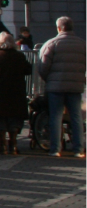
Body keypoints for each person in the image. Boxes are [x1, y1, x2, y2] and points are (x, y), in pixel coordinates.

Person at [36, 17, 85, 157]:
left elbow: (43, 66)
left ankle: (56, 149)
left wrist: (49, 79)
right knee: (76, 117)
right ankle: (78, 149)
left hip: (55, 87)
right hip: (75, 87)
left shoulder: (51, 44)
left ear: (58, 28)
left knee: (55, 117)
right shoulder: (82, 44)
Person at [0, 32, 31, 155]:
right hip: (16, 92)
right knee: (14, 117)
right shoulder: (19, 56)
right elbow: (28, 70)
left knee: (0, 118)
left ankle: (2, 145)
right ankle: (13, 144)